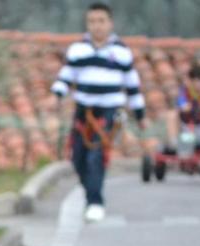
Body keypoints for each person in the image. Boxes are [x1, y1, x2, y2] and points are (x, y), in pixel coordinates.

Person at [51, 2, 146, 223]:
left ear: (110, 23)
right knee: (78, 158)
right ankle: (90, 191)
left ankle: (95, 202)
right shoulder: (78, 50)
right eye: (92, 21)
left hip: (108, 112)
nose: (97, 26)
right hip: (83, 112)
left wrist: (140, 115)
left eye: (101, 21)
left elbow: (133, 87)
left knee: (96, 157)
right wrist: (55, 95)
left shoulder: (121, 52)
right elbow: (65, 77)